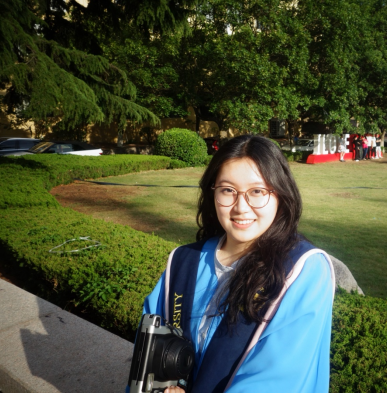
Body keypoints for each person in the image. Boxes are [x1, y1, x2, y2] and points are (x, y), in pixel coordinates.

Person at [137, 135, 335, 393]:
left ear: (281, 194)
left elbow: (278, 380)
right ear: (212, 192)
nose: (241, 207)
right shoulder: (183, 262)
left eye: (257, 191)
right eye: (228, 190)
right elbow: (148, 354)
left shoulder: (302, 270)